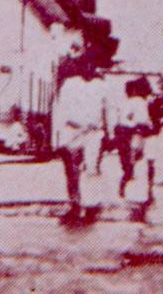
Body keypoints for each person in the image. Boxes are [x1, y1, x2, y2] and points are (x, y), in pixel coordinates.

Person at [53, 56, 109, 224]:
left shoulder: (102, 85)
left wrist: (109, 133)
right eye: (84, 65)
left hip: (93, 132)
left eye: (91, 64)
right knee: (71, 171)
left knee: (91, 170)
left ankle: (91, 207)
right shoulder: (70, 84)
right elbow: (60, 110)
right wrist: (58, 138)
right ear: (79, 67)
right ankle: (74, 205)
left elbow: (107, 110)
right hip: (72, 131)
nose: (88, 68)